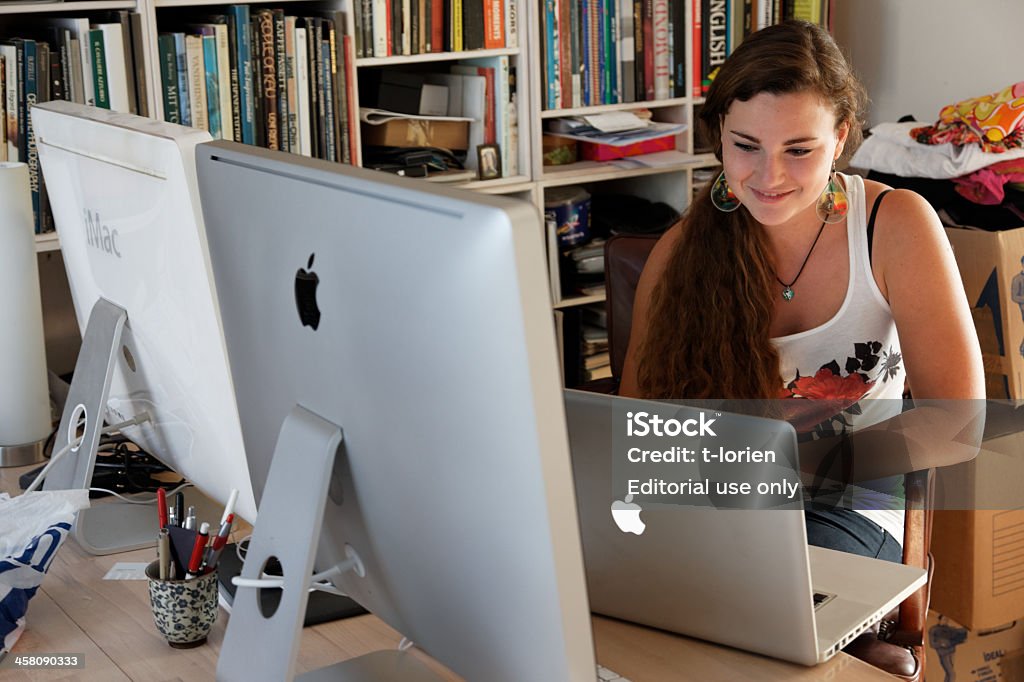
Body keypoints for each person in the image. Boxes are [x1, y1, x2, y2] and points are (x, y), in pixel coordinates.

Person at [619, 20, 984, 563]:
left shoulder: (895, 224)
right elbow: (637, 426)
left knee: (758, 581)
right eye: (746, 145)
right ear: (720, 132)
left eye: (798, 150)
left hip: (850, 504)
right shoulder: (680, 250)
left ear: (839, 139)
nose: (769, 176)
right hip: (716, 504)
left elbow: (958, 423)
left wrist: (793, 465)